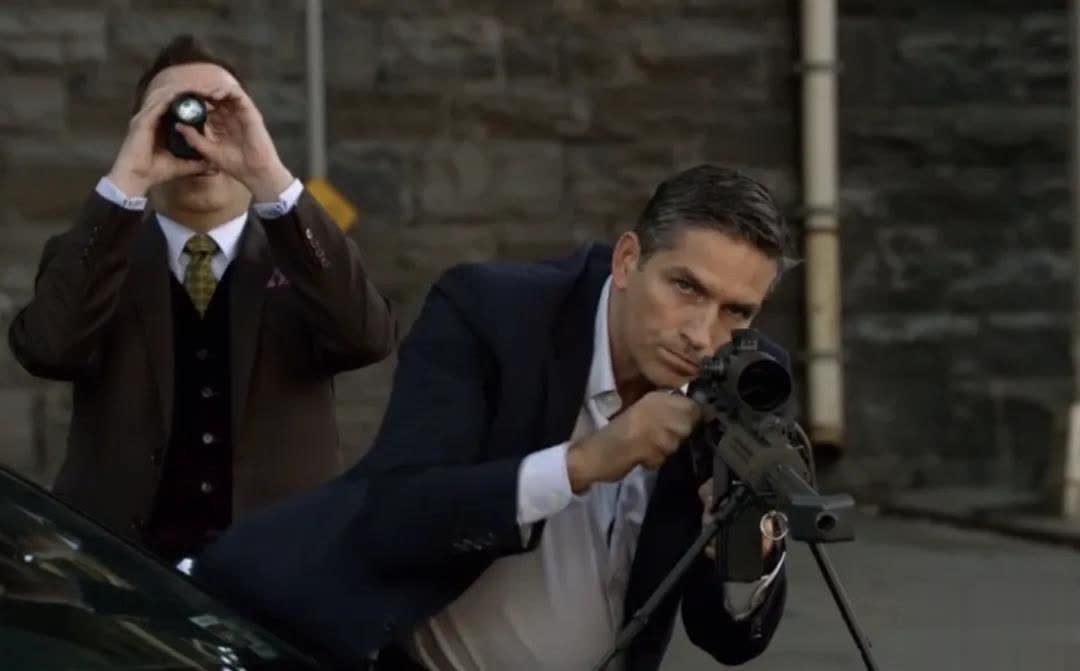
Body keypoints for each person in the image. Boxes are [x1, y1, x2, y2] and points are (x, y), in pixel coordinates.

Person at [196, 164, 792, 670]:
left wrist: (744, 549)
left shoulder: (751, 378)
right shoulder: (494, 312)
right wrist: (582, 463)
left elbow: (727, 639)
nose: (702, 334)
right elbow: (396, 514)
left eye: (736, 312)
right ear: (628, 260)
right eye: (686, 287)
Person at [7, 35, 397, 564]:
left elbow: (366, 337)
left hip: (280, 568)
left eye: (223, 116)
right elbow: (48, 349)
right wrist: (130, 178)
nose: (200, 136)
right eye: (171, 118)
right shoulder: (94, 258)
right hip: (123, 571)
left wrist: (266, 172)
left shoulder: (306, 259)